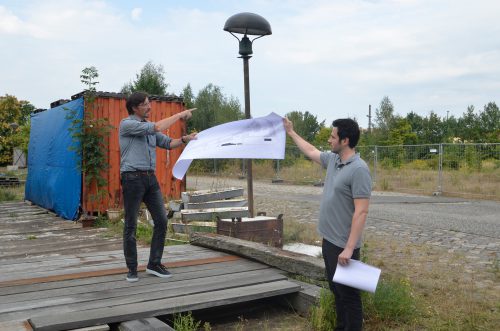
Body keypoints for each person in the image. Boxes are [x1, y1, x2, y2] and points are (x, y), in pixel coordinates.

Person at [283, 117, 371, 330]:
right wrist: (291, 132)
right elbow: (311, 151)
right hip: (329, 241)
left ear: (345, 140)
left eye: (333, 136)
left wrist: (349, 248)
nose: (329, 140)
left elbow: (361, 211)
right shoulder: (334, 160)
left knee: (349, 296)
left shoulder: (359, 169)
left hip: (344, 245)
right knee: (336, 290)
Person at [119, 91, 197, 282]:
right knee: (130, 224)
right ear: (135, 107)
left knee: (162, 220)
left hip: (149, 179)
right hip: (132, 178)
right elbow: (157, 127)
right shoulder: (127, 124)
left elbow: (170, 143)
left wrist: (187, 139)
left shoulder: (149, 129)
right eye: (145, 104)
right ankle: (132, 269)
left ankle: (154, 263)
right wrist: (179, 115)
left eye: (149, 103)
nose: (150, 107)